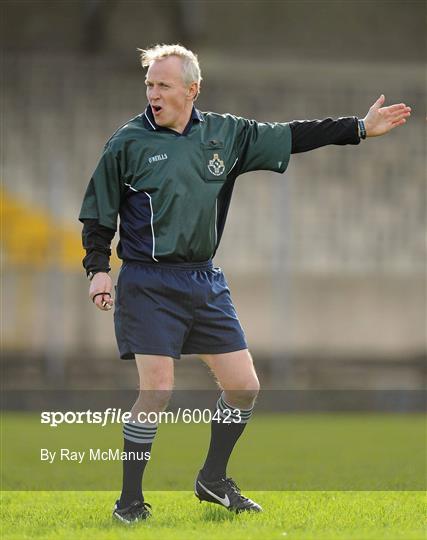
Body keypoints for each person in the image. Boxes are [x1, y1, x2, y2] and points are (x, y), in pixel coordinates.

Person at [79, 44, 411, 523]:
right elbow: (98, 213)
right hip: (148, 281)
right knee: (157, 390)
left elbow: (291, 135)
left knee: (244, 386)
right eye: (149, 84)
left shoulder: (225, 134)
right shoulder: (126, 143)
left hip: (203, 279)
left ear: (192, 89)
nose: (153, 93)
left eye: (163, 85)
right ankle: (130, 501)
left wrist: (358, 128)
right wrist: (97, 270)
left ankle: (212, 479)